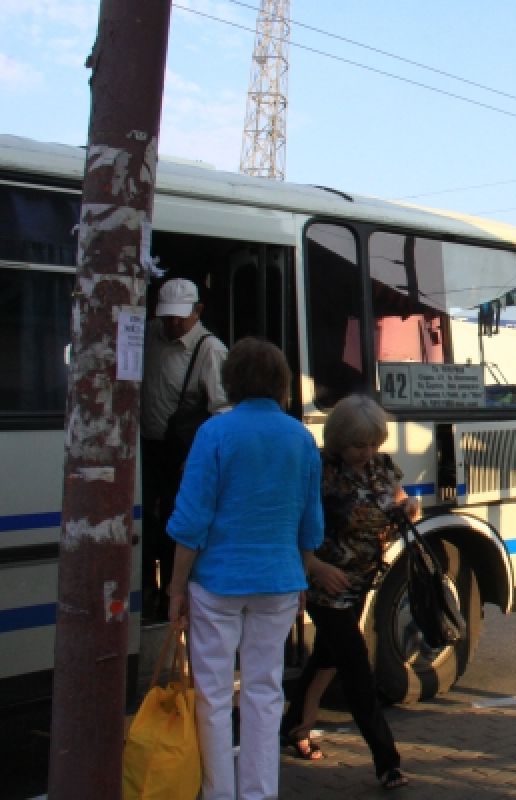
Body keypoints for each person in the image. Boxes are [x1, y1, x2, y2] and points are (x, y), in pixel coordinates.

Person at [166, 337, 324, 800]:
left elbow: (191, 520)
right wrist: (302, 572)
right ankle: (259, 792)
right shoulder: (300, 437)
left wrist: (175, 589)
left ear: (230, 381)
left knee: (213, 695)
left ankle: (218, 792)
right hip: (278, 581)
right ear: (281, 383)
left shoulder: (214, 433)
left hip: (217, 581)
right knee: (264, 690)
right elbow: (310, 521)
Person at [280, 394, 419, 791]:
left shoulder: (382, 467)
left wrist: (409, 507)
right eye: (359, 445)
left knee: (327, 656)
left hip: (363, 580)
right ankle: (387, 761)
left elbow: (399, 500)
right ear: (339, 439)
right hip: (326, 585)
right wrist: (314, 566)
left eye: (373, 444)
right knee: (356, 667)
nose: (367, 452)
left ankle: (295, 725)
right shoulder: (320, 470)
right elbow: (293, 523)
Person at [141, 276, 228, 621]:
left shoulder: (210, 349)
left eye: (180, 317)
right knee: (144, 525)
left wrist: (198, 458)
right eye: (168, 316)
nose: (173, 323)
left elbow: (222, 411)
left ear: (198, 311)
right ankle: (147, 593)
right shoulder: (150, 333)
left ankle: (170, 597)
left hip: (182, 453)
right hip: (147, 447)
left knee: (174, 525)